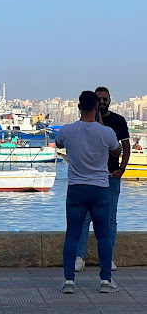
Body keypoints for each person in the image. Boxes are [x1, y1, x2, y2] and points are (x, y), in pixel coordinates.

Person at [55, 90, 121, 294]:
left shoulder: (67, 130)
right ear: (96, 108)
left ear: (78, 107)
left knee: (72, 235)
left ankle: (69, 281)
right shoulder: (106, 132)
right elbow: (116, 150)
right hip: (100, 189)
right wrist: (101, 127)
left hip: (76, 189)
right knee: (103, 235)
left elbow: (59, 143)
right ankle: (105, 281)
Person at [75, 86, 130, 272]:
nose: (102, 102)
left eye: (105, 99)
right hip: (91, 178)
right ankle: (79, 257)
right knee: (84, 219)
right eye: (99, 99)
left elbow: (124, 146)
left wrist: (121, 169)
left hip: (111, 176)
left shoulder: (118, 121)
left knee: (110, 219)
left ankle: (108, 258)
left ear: (110, 100)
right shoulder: (85, 123)